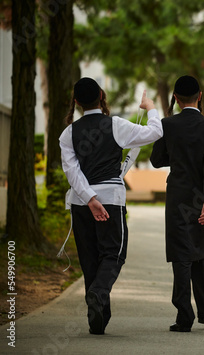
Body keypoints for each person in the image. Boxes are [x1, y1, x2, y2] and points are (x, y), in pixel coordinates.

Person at [60, 77, 162, 335]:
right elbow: (155, 132)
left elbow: (72, 173)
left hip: (80, 203)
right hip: (110, 199)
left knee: (89, 258)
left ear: (76, 102)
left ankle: (98, 320)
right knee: (114, 254)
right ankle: (98, 294)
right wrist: (150, 107)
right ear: (102, 96)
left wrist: (89, 199)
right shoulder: (115, 125)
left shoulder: (68, 133)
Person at [150, 75, 204, 332]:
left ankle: (184, 316)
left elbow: (156, 160)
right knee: (203, 252)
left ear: (176, 99)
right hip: (202, 197)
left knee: (181, 255)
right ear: (200, 96)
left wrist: (177, 154)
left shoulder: (167, 125)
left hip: (178, 196)